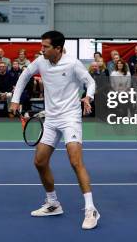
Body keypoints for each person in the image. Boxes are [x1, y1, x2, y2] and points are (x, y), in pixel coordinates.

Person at [10, 31, 99, 230]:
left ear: (57, 49)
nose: (42, 50)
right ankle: (53, 203)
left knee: (75, 161)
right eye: (41, 46)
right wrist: (15, 100)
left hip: (70, 119)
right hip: (51, 119)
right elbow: (24, 76)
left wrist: (88, 97)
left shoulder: (73, 63)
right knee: (40, 162)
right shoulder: (41, 62)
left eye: (45, 47)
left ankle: (91, 209)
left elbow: (91, 82)